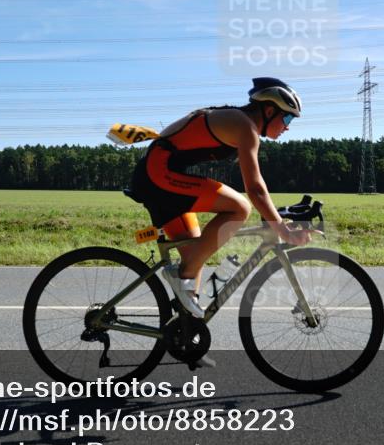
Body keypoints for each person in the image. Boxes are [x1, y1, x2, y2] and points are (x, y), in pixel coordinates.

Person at [129, 77, 312, 318]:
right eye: (287, 118)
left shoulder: (238, 120)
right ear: (269, 111)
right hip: (159, 173)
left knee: (196, 254)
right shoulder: (245, 126)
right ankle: (181, 278)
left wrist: (276, 219)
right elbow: (255, 189)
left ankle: (187, 336)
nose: (287, 126)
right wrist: (284, 232)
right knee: (240, 207)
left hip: (158, 173)